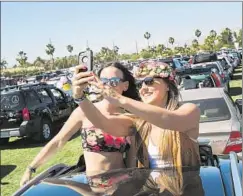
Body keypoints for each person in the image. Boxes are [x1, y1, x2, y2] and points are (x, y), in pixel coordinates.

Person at [20, 62, 140, 187]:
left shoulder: (131, 117)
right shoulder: (84, 111)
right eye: (103, 81)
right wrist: (31, 168)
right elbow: (58, 141)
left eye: (114, 81)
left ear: (125, 85)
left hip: (121, 186)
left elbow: (132, 159)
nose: (108, 86)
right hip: (92, 188)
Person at [88, 60, 201, 170]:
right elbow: (132, 168)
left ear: (168, 86)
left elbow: (169, 120)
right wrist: (80, 98)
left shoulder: (189, 110)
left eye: (149, 81)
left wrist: (119, 99)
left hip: (183, 188)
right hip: (148, 188)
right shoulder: (138, 123)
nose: (143, 89)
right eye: (139, 84)